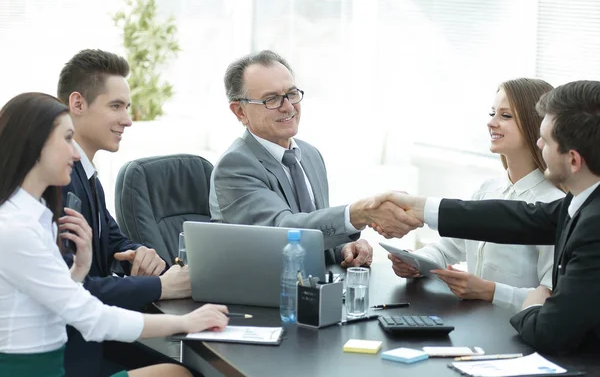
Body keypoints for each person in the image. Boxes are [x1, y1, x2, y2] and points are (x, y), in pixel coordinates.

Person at [0, 92, 230, 377]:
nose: (75, 153)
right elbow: (92, 318)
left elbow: (44, 304)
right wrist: (186, 322)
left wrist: (79, 270)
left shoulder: (35, 219)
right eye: (67, 139)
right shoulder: (15, 229)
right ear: (34, 145)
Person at [373, 80, 600, 354]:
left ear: (574, 160)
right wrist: (420, 211)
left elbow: (552, 327)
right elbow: (514, 218)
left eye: (547, 140)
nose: (540, 144)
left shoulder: (590, 225)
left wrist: (530, 302)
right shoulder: (575, 204)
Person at [209, 50, 422, 267]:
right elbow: (281, 233)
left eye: (291, 94)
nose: (289, 106)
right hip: (264, 292)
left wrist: (344, 249)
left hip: (313, 288)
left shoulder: (309, 154)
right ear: (240, 112)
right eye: (271, 99)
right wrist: (359, 214)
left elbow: (312, 234)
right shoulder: (235, 166)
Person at [56, 49, 191, 375]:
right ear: (78, 104)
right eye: (116, 106)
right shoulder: (57, 182)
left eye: (127, 107)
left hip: (96, 341)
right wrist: (163, 287)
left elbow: (115, 242)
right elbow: (78, 287)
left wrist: (137, 253)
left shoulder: (88, 179)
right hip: (71, 354)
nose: (128, 119)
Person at [384, 78, 564, 310]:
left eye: (505, 116)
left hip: (517, 331)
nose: (492, 123)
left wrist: (490, 292)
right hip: (473, 322)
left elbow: (551, 298)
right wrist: (416, 262)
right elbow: (449, 247)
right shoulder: (488, 189)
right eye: (492, 114)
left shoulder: (553, 205)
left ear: (536, 124)